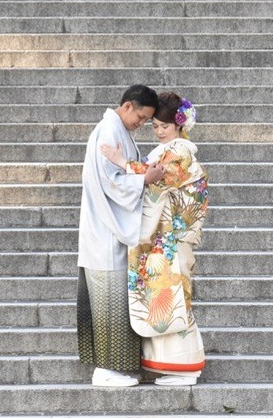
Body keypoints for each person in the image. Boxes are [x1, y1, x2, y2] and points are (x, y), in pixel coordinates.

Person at [101, 91, 208, 386]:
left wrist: (122, 162)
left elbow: (157, 178)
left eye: (165, 126)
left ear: (179, 125)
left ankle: (183, 367)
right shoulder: (166, 150)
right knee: (162, 300)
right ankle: (168, 364)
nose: (159, 131)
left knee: (174, 299)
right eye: (155, 126)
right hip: (164, 239)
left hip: (172, 238)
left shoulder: (181, 152)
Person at [76, 84, 167, 388]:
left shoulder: (119, 131)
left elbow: (120, 174)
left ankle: (116, 367)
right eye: (140, 117)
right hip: (105, 231)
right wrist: (144, 179)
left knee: (115, 301)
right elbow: (110, 183)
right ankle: (105, 369)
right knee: (109, 300)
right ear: (127, 106)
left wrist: (141, 174)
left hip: (111, 229)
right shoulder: (108, 131)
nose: (142, 124)